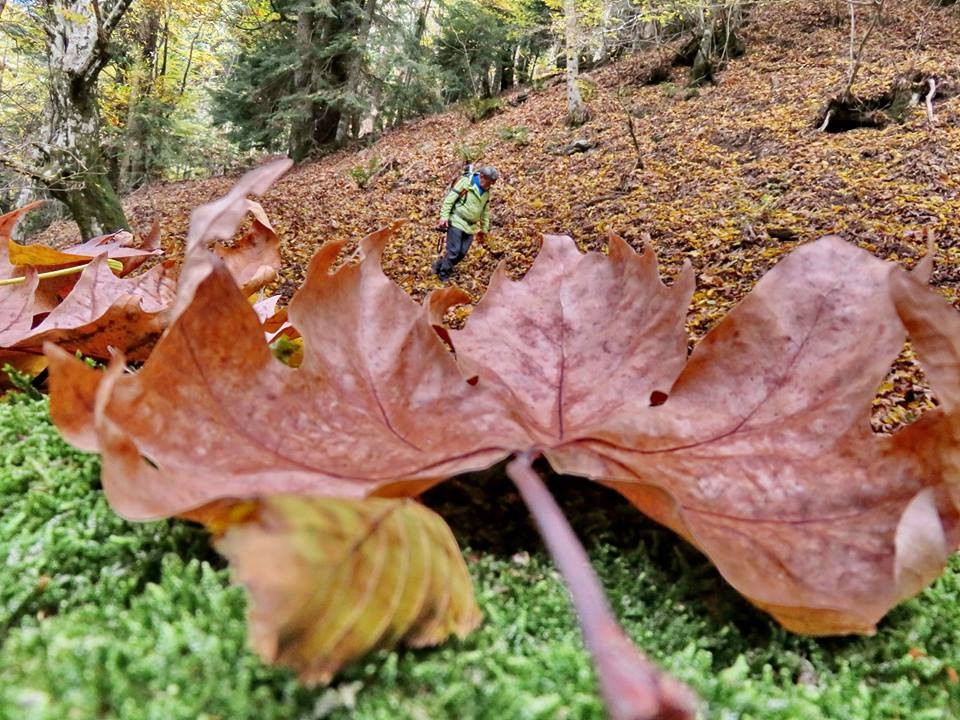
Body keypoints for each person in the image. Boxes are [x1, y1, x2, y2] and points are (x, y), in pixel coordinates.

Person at [432, 165, 499, 281]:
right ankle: (443, 274)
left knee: (462, 253)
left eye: (492, 183)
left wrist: (484, 229)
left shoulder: (487, 191)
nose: (489, 185)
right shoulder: (466, 183)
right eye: (488, 182)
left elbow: (485, 211)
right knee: (454, 251)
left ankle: (439, 265)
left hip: (471, 226)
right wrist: (444, 217)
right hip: (457, 220)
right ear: (481, 177)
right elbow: (449, 200)